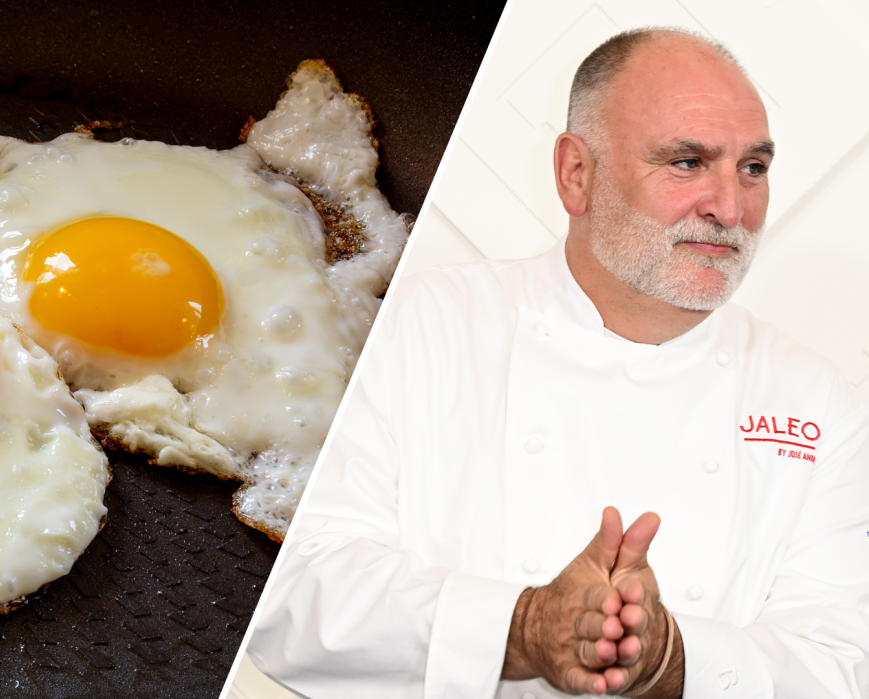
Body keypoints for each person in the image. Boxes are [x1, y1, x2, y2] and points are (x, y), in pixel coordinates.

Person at [245, 27, 869, 699]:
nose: (731, 207)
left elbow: (842, 663)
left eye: (754, 168)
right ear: (577, 174)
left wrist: (671, 659)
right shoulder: (422, 321)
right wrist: (523, 627)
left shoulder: (813, 396)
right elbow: (290, 598)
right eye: (687, 162)